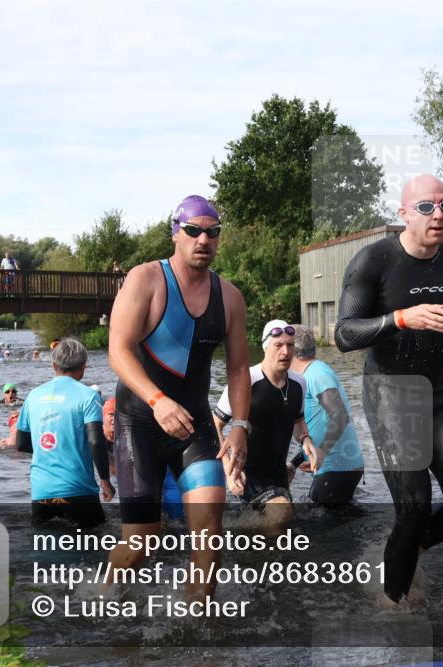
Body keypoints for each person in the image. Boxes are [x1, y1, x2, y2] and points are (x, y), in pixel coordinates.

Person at [335, 173, 443, 607]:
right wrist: (401, 319)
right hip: (390, 393)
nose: (439, 214)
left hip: (436, 393)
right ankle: (392, 610)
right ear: (404, 214)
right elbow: (344, 334)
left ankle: (406, 552)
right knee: (413, 508)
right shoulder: (373, 260)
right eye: (427, 207)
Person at [105, 194, 250, 599]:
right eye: (193, 231)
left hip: (194, 424)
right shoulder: (146, 279)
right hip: (140, 423)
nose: (203, 239)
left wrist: (239, 426)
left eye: (213, 232)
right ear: (176, 233)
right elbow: (118, 349)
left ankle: (197, 626)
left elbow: (239, 369)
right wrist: (157, 400)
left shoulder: (231, 297)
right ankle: (101, 595)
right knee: (143, 541)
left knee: (209, 532)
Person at [212, 320, 321, 527]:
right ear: (265, 347)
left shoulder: (299, 383)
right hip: (247, 475)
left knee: (279, 528)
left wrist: (305, 439)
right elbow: (214, 425)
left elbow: (298, 420)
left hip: (279, 473)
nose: (285, 352)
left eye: (290, 345)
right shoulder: (246, 380)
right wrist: (228, 468)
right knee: (280, 515)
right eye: (278, 345)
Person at [15, 338, 113, 528]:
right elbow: (95, 440)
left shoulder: (33, 395)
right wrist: (105, 481)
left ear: (53, 365)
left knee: (44, 550)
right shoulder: (88, 395)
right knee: (93, 549)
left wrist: (53, 451)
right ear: (83, 366)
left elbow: (21, 444)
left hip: (41, 492)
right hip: (78, 490)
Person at [288, 327, 364, 506]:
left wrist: (321, 452)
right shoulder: (312, 372)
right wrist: (294, 463)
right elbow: (319, 426)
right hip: (338, 466)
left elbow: (340, 416)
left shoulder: (316, 375)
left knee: (318, 528)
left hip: (337, 467)